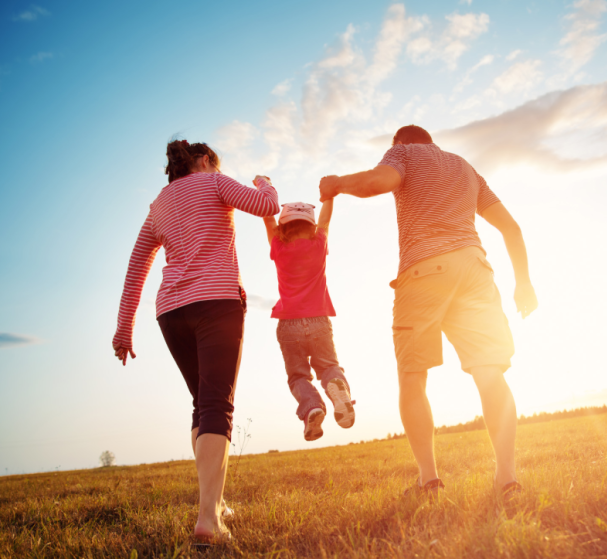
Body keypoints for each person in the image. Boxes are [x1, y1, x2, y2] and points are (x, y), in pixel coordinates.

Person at [319, 125, 538, 498]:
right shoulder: (466, 167)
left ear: (399, 143)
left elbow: (378, 182)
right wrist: (524, 283)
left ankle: (429, 481)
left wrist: (336, 184)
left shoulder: (403, 153)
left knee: (413, 376)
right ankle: (507, 478)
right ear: (431, 141)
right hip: (475, 270)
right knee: (489, 372)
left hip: (424, 270)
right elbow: (511, 229)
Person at [112, 139, 279, 542]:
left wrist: (123, 328)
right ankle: (208, 520)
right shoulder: (214, 181)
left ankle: (214, 503)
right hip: (216, 302)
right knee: (217, 404)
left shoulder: (158, 204)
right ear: (205, 161)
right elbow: (267, 206)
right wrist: (264, 182)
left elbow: (137, 266)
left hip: (171, 313)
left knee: (202, 405)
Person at [261, 198, 355, 441]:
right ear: (311, 227)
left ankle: (312, 407)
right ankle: (337, 386)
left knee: (298, 376)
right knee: (328, 366)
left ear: (283, 228)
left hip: (288, 324)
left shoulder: (278, 247)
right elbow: (325, 220)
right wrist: (329, 197)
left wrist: (263, 187)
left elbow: (268, 219)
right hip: (318, 321)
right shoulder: (319, 244)